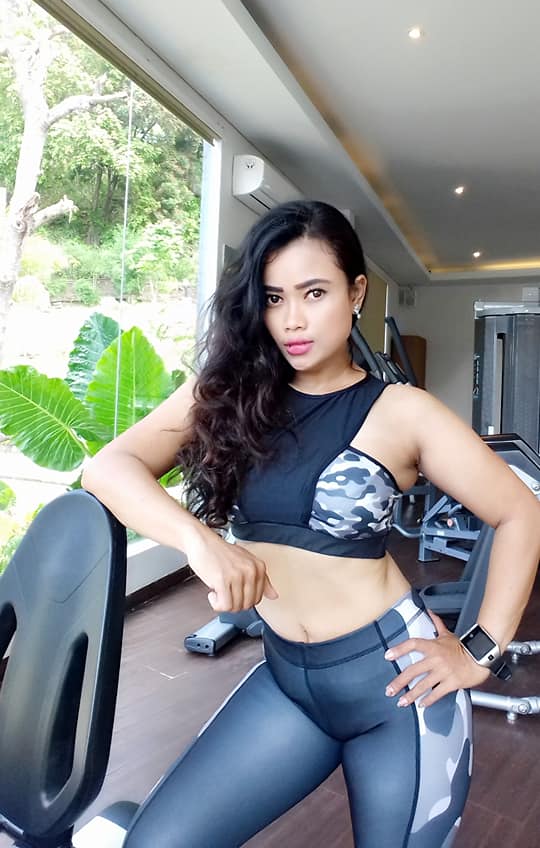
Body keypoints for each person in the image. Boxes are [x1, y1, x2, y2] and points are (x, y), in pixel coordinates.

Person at [82, 201, 540, 848]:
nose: (292, 320)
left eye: (314, 293)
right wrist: (200, 541)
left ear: (356, 293)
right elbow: (108, 467)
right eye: (274, 299)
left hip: (396, 690)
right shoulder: (229, 396)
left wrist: (478, 652)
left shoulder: (402, 412)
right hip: (286, 680)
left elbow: (521, 512)